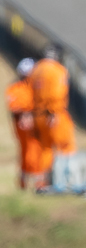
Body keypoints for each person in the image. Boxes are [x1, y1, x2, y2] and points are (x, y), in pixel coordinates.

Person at [29, 44, 75, 189]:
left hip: (38, 114)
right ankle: (65, 179)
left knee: (45, 148)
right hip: (53, 113)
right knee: (66, 145)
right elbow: (57, 92)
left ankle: (43, 180)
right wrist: (55, 111)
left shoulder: (36, 69)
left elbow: (29, 91)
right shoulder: (57, 70)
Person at [6, 57, 42, 189]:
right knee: (30, 150)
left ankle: (30, 179)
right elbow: (14, 106)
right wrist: (25, 116)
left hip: (35, 120)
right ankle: (34, 180)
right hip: (22, 123)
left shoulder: (34, 87)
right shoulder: (16, 88)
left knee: (35, 149)